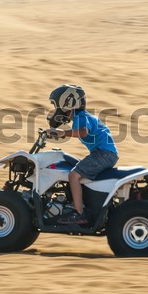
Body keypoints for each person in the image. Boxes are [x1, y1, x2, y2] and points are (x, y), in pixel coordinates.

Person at [45, 84, 119, 225]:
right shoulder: (81, 117)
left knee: (73, 175)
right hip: (104, 154)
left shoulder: (81, 116)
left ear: (67, 103)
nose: (56, 110)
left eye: (56, 105)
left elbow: (83, 131)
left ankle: (79, 214)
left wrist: (62, 133)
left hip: (104, 154)